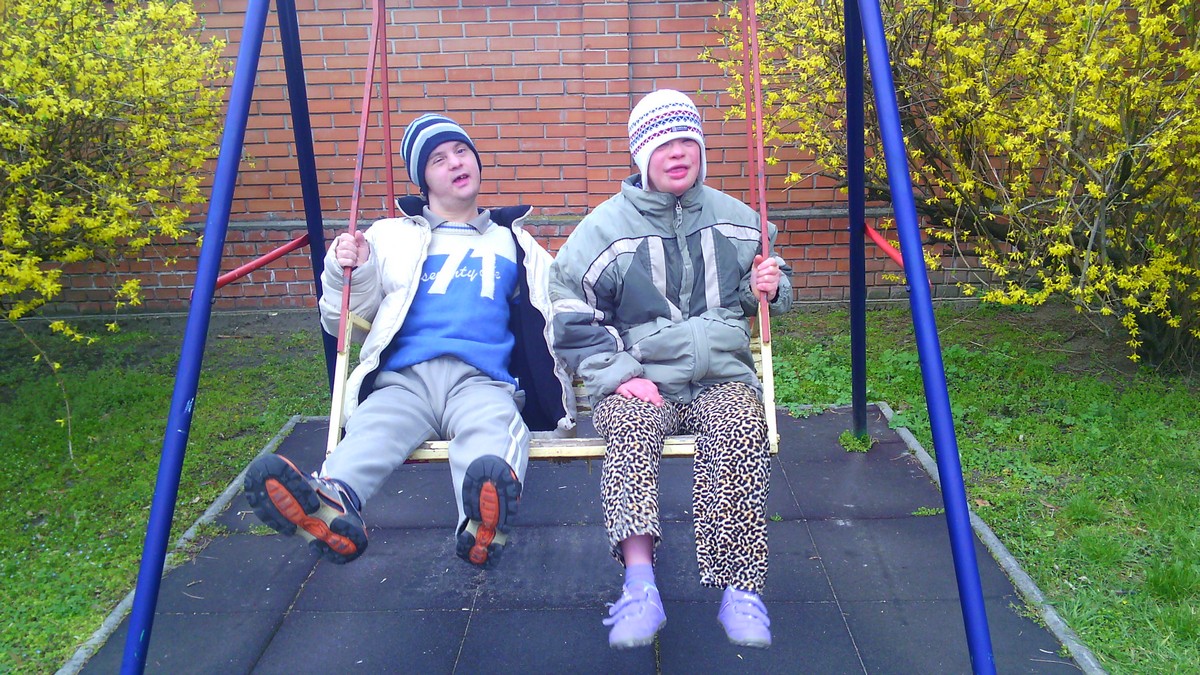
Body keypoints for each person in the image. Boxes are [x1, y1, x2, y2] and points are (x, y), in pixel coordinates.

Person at [243, 113, 575, 568]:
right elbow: (344, 321)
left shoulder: (513, 241)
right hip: (404, 379)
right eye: (438, 159)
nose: (455, 162)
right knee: (373, 428)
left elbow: (557, 303)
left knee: (495, 428)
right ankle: (331, 503)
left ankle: (481, 523)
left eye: (462, 151)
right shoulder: (389, 237)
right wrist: (350, 272)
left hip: (479, 379)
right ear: (424, 181)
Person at [549, 89, 793, 649]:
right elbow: (568, 307)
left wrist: (771, 286)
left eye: (687, 141)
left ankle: (740, 590)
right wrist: (619, 374)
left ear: (701, 148)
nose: (678, 153)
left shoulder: (737, 221)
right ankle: (640, 585)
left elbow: (763, 290)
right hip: (643, 378)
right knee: (628, 429)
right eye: (663, 145)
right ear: (641, 156)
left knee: (741, 428)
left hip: (721, 376)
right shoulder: (605, 229)